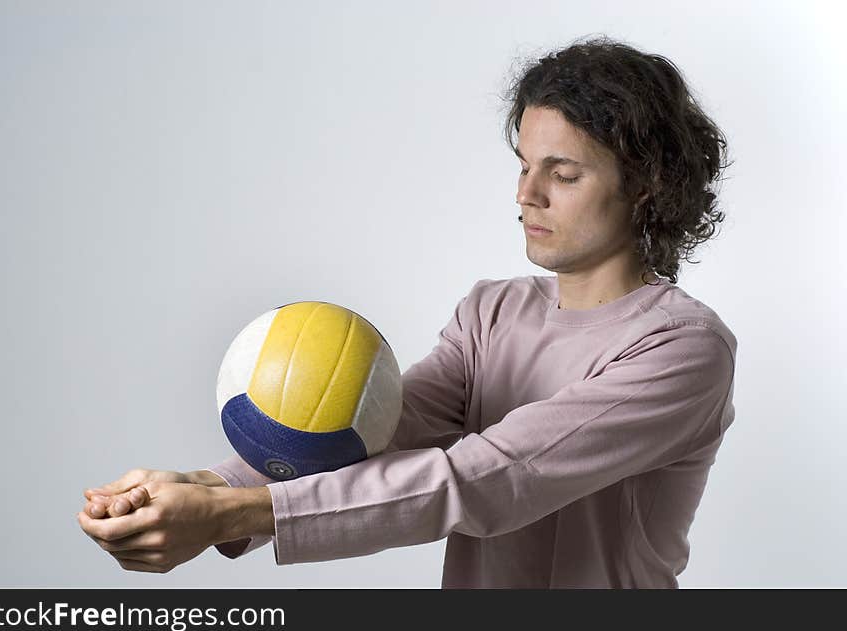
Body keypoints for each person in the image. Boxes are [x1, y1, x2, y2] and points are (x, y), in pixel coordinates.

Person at [78, 35, 737, 588]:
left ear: (648, 182)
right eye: (524, 165)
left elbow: (490, 479)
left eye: (562, 174)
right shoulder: (492, 311)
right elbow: (374, 433)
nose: (525, 194)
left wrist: (227, 514)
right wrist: (188, 486)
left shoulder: (682, 347)